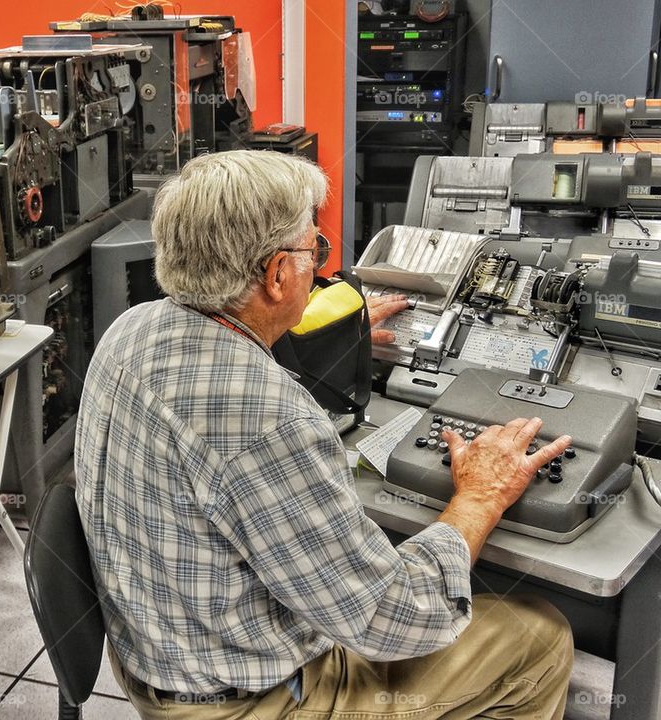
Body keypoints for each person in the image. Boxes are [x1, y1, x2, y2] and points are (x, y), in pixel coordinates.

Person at [75, 150, 574, 720]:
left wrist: (341, 328)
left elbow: (225, 352)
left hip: (159, 661)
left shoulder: (133, 327)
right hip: (254, 702)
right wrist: (479, 498)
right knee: (539, 636)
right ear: (277, 274)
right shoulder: (272, 422)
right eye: (316, 252)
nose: (320, 266)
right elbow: (394, 617)